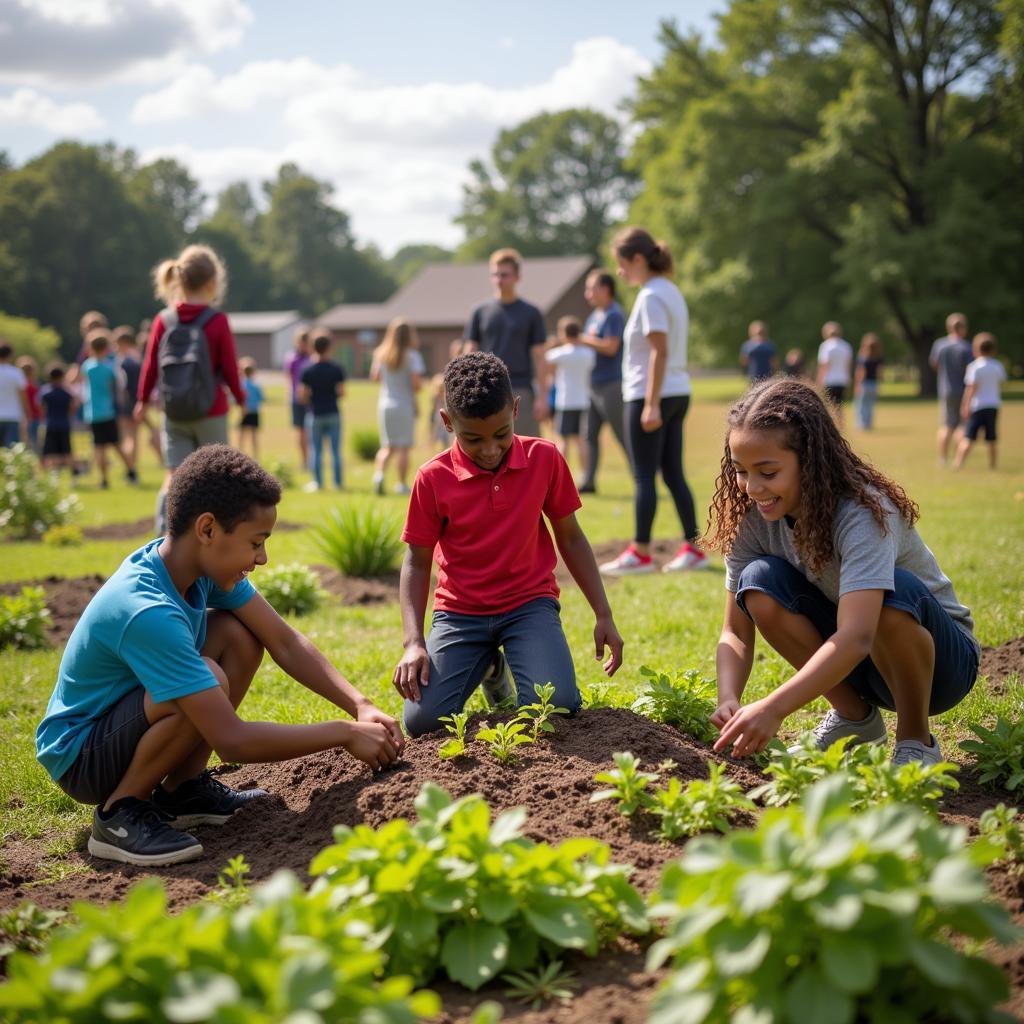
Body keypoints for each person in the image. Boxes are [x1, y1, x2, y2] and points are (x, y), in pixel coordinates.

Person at [35, 445, 404, 866]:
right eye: (256, 542)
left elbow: (282, 640)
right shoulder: (147, 610)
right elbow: (231, 739)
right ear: (208, 529)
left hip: (122, 724)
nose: (262, 558)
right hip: (82, 756)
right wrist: (344, 732)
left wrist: (360, 704)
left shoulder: (194, 568)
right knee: (204, 675)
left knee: (237, 636)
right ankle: (120, 813)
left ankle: (183, 789)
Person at [705, 377, 979, 766]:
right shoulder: (753, 516)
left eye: (767, 472)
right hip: (860, 660)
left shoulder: (863, 512)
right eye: (741, 471)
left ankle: (916, 741)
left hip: (940, 668)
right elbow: (734, 631)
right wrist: (728, 696)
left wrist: (774, 708)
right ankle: (855, 720)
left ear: (811, 461)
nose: (751, 487)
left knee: (893, 592)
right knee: (758, 582)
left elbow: (856, 636)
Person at [393, 352, 623, 737]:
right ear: (447, 422)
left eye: (501, 433)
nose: (489, 449)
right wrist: (414, 642)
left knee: (554, 708)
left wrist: (603, 612)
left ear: (516, 410)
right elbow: (416, 562)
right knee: (422, 722)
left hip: (528, 605)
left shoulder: (544, 458)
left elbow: (571, 536)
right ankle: (490, 668)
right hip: (460, 613)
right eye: (472, 439)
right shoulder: (432, 479)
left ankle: (497, 664)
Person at [599, 227, 707, 576]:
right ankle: (693, 548)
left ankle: (641, 553)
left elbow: (658, 351)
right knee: (674, 474)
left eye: (622, 264)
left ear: (639, 260)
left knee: (644, 475)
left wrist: (650, 403)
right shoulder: (670, 291)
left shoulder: (650, 296)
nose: (619, 272)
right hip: (677, 391)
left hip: (653, 394)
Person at [136, 244, 246, 532]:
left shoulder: (164, 319)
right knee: (215, 477)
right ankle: (213, 536)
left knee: (174, 474)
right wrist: (241, 399)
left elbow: (151, 365)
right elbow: (230, 368)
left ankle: (164, 534)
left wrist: (142, 400)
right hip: (211, 410)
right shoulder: (218, 320)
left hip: (174, 411)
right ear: (212, 283)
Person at [463, 248, 548, 437]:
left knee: (525, 447)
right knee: (488, 451)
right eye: (495, 275)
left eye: (505, 275)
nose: (499, 280)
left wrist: (543, 397)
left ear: (517, 277)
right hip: (486, 390)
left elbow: (540, 357)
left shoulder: (531, 313)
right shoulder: (479, 312)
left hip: (521, 390)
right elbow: (469, 353)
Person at [576, 270, 628, 494]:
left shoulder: (614, 314)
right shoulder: (594, 316)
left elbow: (611, 346)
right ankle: (589, 481)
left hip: (611, 385)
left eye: (591, 288)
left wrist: (581, 339)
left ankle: (641, 477)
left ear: (606, 289)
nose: (587, 293)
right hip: (593, 385)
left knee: (623, 434)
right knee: (589, 434)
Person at [370, 317, 426, 496]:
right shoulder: (412, 356)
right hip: (404, 405)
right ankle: (401, 483)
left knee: (387, 446)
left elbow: (375, 377)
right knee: (403, 447)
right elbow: (416, 384)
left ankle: (379, 475)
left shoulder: (381, 354)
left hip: (385, 403)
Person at [81, 330, 134, 489]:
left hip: (92, 412)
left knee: (99, 447)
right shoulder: (109, 368)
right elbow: (118, 388)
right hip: (108, 411)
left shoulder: (87, 366)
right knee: (117, 444)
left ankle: (104, 480)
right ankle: (131, 471)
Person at [544, 316, 595, 474]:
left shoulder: (558, 354)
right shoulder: (588, 353)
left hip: (565, 401)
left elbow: (546, 357)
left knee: (563, 440)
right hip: (583, 401)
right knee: (581, 441)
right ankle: (584, 475)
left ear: (563, 333)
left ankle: (562, 473)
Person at [299, 330, 345, 492]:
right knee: (335, 451)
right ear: (329, 347)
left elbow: (302, 395)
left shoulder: (307, 370)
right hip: (333, 412)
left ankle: (318, 483)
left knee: (316, 451)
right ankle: (338, 483)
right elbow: (341, 392)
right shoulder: (336, 368)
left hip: (315, 413)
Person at [953, 333, 1007, 470]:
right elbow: (1002, 381)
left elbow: (970, 389)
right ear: (993, 349)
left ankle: (958, 463)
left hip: (977, 406)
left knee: (969, 437)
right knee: (992, 438)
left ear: (976, 349)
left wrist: (965, 406)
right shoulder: (997, 366)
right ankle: (993, 465)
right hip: (993, 406)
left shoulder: (974, 367)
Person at [930, 313, 973, 466]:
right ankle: (957, 459)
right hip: (962, 391)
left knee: (946, 425)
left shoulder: (939, 345)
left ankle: (942, 458)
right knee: (962, 426)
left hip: (945, 390)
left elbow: (935, 364)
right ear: (961, 328)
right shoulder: (966, 347)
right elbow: (971, 370)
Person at [113, 325, 146, 477]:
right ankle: (133, 468)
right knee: (134, 437)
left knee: (128, 437)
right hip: (136, 401)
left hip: (126, 402)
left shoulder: (124, 362)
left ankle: (130, 469)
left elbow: (122, 384)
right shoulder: (138, 358)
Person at [38, 363, 77, 474]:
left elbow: (41, 408)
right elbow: (72, 407)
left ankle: (45, 473)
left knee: (47, 452)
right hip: (64, 424)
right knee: (67, 451)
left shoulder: (45, 392)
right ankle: (73, 473)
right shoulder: (67, 393)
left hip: (50, 424)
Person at [285, 327, 311, 471]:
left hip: (311, 400)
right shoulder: (291, 358)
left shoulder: (312, 358)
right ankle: (304, 460)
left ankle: (313, 459)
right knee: (300, 431)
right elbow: (289, 379)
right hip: (296, 400)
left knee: (311, 431)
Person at [815, 321, 853, 418]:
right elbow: (848, 365)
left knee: (829, 405)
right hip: (842, 379)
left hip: (829, 379)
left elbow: (824, 365)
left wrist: (819, 380)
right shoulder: (846, 346)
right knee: (839, 404)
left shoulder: (826, 346)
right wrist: (848, 379)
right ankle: (840, 422)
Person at [0, 341, 29, 447]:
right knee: (11, 453)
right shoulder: (16, 373)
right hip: (13, 416)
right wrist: (27, 415)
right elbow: (23, 396)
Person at [853, 332, 884, 430]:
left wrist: (857, 384)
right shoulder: (879, 357)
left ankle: (862, 425)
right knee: (870, 405)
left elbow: (861, 372)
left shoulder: (863, 357)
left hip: (864, 384)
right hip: (874, 384)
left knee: (861, 405)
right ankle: (869, 424)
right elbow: (879, 372)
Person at [236, 357, 264, 462]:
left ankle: (239, 454)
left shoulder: (242, 385)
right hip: (254, 412)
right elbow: (262, 398)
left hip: (245, 412)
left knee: (242, 435)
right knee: (254, 435)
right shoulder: (256, 385)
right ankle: (256, 456)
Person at [15, 356, 42, 453]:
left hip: (20, 416)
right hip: (32, 416)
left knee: (23, 441)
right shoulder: (32, 387)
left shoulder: (18, 386)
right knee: (34, 441)